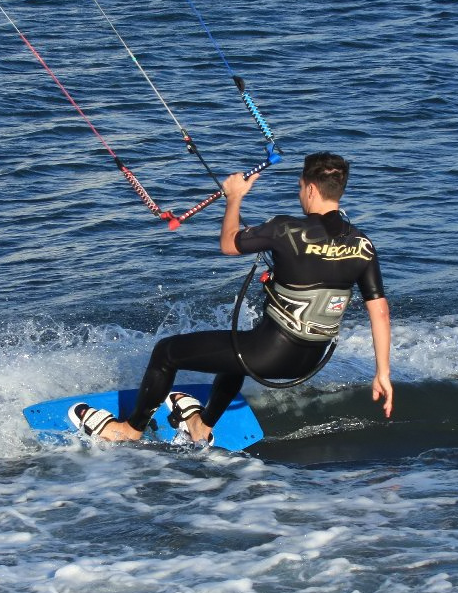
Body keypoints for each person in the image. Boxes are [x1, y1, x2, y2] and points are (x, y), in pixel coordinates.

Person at [70, 152, 393, 444]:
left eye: (300, 187)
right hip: (308, 361)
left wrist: (234, 198)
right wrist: (382, 374)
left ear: (309, 188)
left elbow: (228, 244)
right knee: (237, 348)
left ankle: (130, 430)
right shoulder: (362, 244)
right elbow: (379, 313)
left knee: (166, 352)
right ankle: (202, 425)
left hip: (268, 356)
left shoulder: (285, 229)